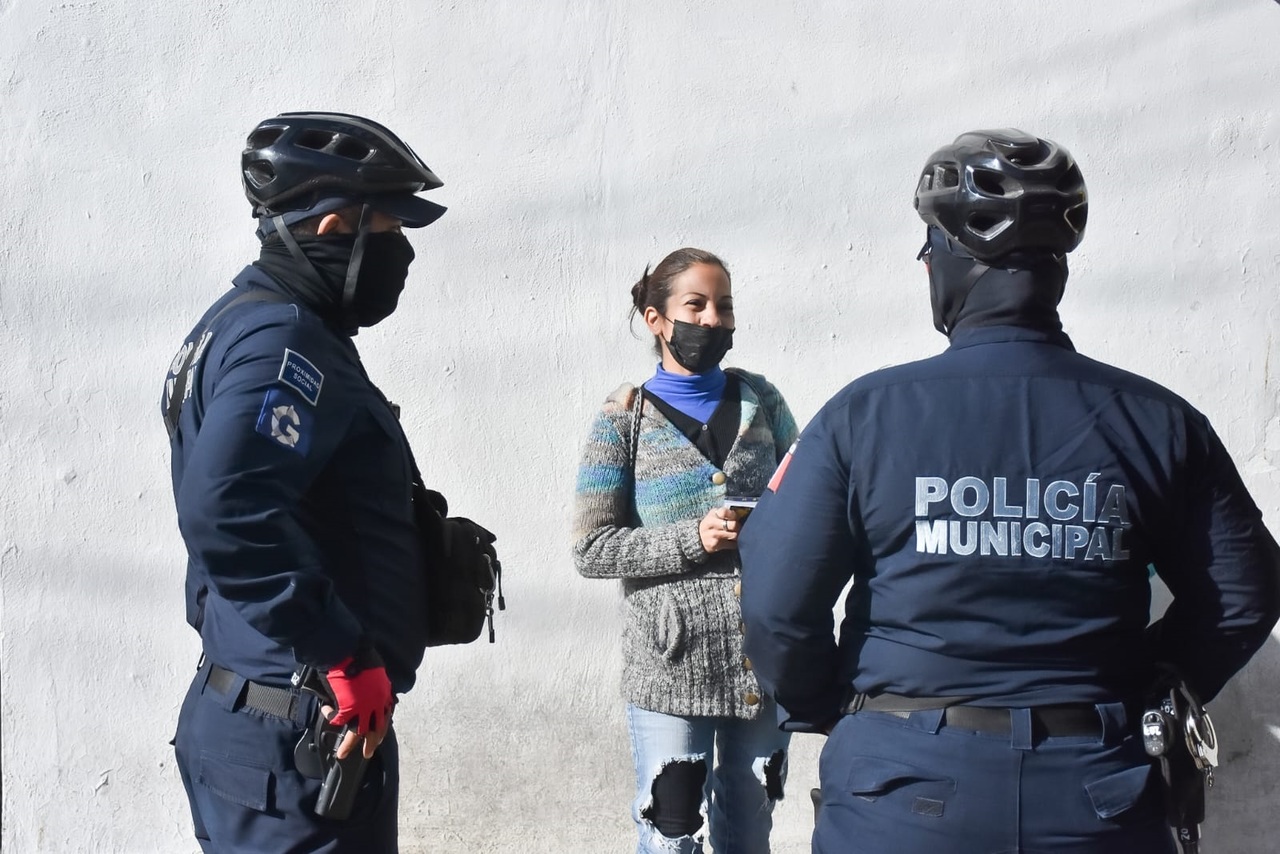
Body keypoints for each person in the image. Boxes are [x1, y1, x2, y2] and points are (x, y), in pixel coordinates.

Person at [738, 129, 1280, 854]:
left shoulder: (864, 415)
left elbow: (776, 602)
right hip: (1101, 795)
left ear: (954, 262)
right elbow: (1244, 595)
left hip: (902, 793)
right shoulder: (1160, 422)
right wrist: (1142, 688)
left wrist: (831, 705)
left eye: (928, 248)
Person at [161, 111, 449, 852]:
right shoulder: (283, 340)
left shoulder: (241, 324)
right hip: (303, 736)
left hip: (273, 719)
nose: (402, 251)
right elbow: (226, 512)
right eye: (388, 229)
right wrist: (343, 653)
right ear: (333, 229)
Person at [572, 248, 799, 854]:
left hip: (761, 658)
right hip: (670, 664)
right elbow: (592, 549)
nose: (713, 319)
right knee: (673, 833)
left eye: (723, 306)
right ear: (656, 319)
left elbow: (806, 502)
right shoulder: (625, 418)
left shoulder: (762, 401)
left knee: (751, 825)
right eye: (695, 305)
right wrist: (690, 540)